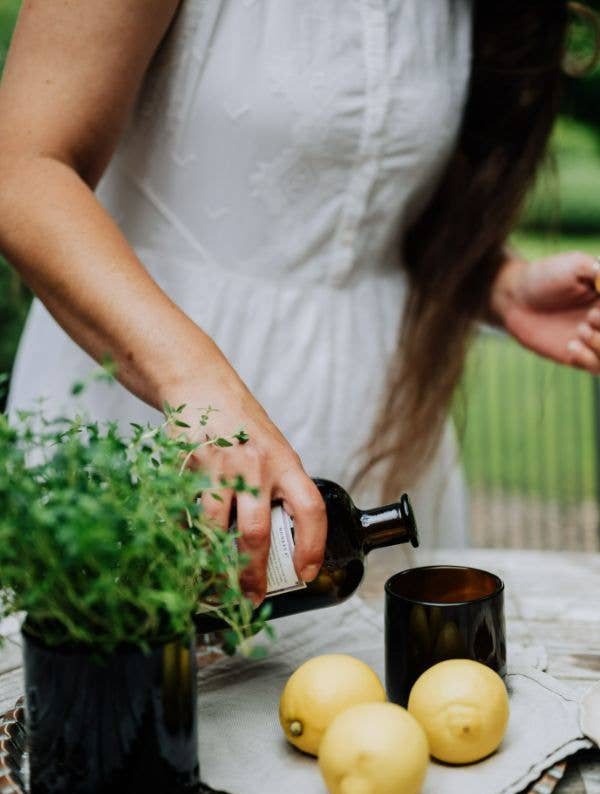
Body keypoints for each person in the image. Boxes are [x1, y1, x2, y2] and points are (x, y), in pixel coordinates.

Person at [0, 1, 598, 607]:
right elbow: (20, 168)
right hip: (151, 410)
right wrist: (200, 394)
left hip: (382, 439)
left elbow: (366, 209)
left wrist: (493, 283)